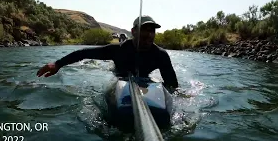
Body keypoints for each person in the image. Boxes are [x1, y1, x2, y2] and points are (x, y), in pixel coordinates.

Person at [36, 15, 179, 89]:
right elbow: (84, 53)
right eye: (144, 30)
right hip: (120, 77)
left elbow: (172, 86)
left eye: (152, 31)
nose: (148, 34)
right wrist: (58, 64)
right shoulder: (118, 50)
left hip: (144, 80)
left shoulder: (160, 55)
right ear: (133, 31)